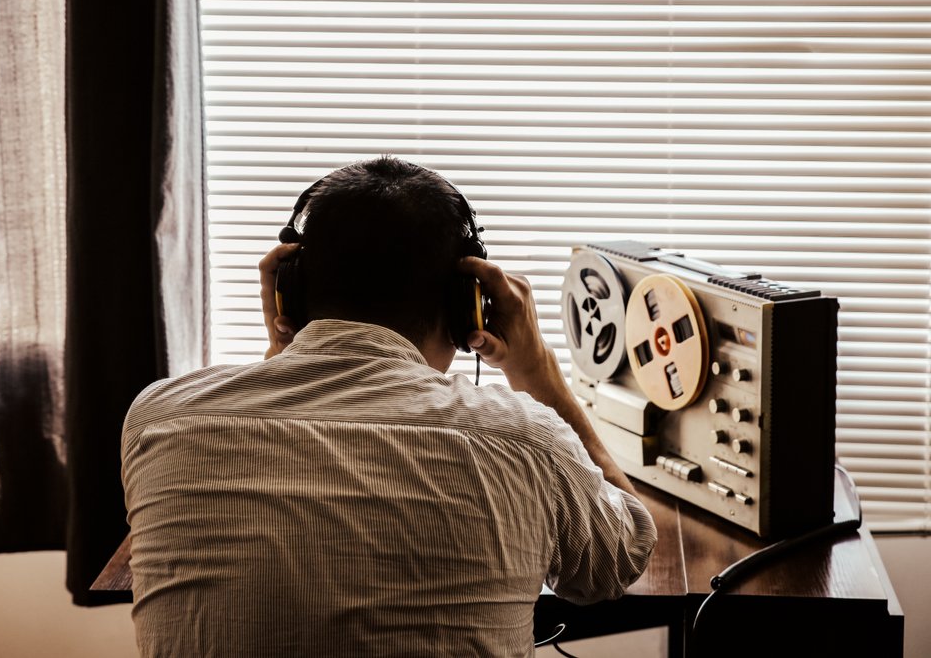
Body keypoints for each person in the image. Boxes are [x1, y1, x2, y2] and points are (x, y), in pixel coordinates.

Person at [121, 157, 656, 657]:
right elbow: (621, 557)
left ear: (289, 293)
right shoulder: (525, 440)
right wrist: (540, 375)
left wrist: (284, 349)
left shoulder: (160, 419)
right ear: (465, 305)